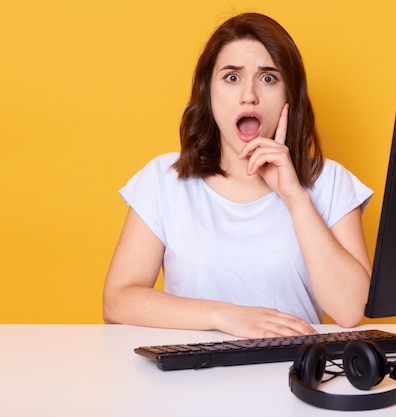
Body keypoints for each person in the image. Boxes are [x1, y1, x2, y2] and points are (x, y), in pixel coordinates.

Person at [103, 13, 373, 339]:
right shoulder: (162, 180)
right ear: (208, 93)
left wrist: (295, 198)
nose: (249, 96)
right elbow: (117, 303)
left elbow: (350, 310)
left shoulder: (329, 181)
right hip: (189, 378)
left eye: (268, 78)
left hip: (291, 374)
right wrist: (226, 316)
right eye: (231, 78)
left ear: (290, 95)